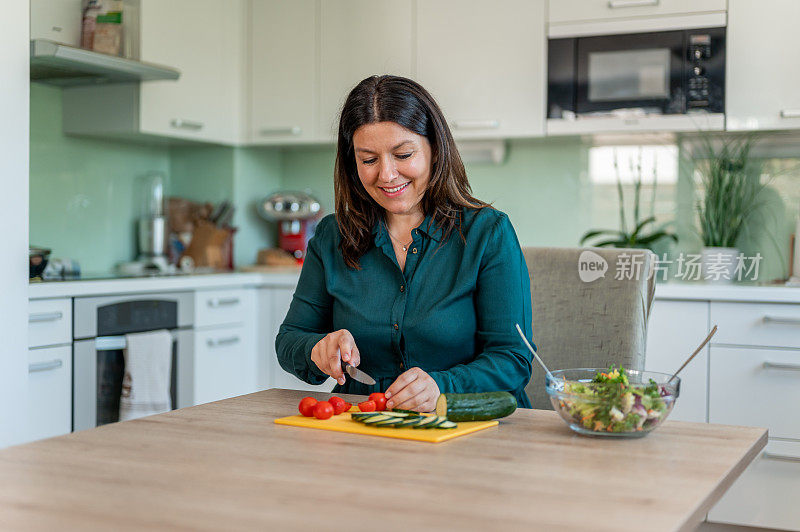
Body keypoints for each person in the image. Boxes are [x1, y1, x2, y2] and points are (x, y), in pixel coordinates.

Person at [275, 75, 533, 411]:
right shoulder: (331, 236)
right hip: (368, 428)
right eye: (369, 160)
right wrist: (317, 349)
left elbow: (513, 359)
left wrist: (442, 386)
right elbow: (290, 340)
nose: (386, 174)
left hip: (471, 428)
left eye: (403, 154)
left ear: (435, 150)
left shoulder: (488, 233)